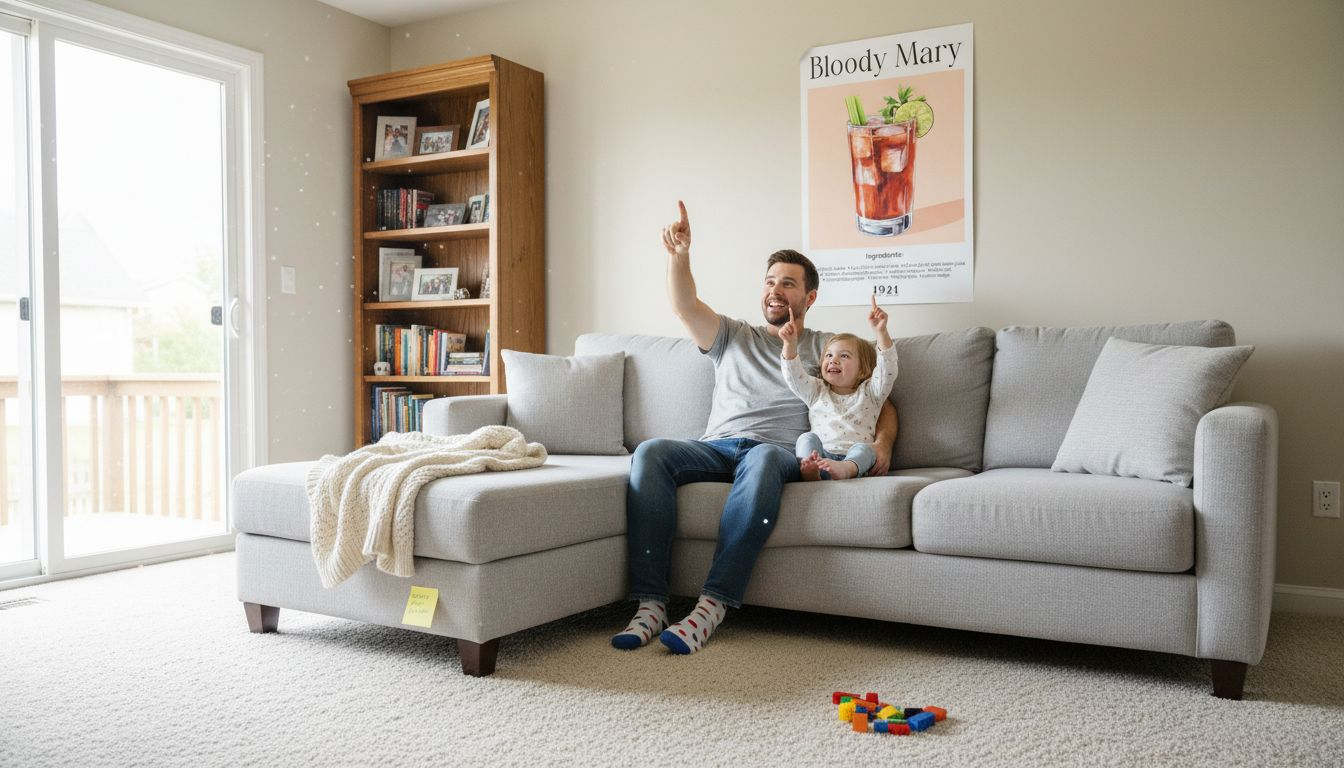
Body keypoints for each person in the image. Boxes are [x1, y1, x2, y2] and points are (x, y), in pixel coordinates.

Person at [611, 201, 898, 655]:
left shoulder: (828, 347)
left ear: (810, 297)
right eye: (770, 282)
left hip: (776, 453)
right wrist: (679, 255)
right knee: (650, 452)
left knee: (765, 456)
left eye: (788, 283)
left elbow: (877, 399)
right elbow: (684, 304)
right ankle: (651, 604)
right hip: (717, 447)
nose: (776, 290)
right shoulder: (732, 335)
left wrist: (881, 444)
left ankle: (711, 606)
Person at [780, 295, 898, 481]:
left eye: (844, 356)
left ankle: (846, 468)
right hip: (821, 457)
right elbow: (793, 376)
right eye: (828, 355)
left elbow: (888, 369)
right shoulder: (817, 391)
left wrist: (881, 332)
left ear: (862, 370)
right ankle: (810, 470)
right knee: (806, 439)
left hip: (855, 460)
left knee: (865, 449)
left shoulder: (871, 392)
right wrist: (790, 345)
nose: (833, 360)